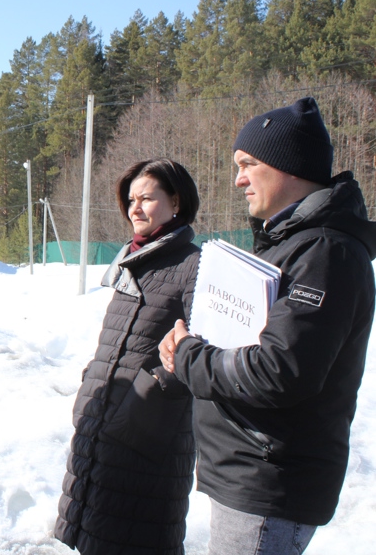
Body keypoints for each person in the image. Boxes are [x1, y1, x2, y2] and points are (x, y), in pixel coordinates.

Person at [159, 97, 376, 555]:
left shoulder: (325, 252)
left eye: (248, 164)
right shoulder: (292, 244)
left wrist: (189, 357)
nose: (238, 178)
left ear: (288, 166)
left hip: (270, 480)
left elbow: (280, 371)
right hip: (247, 472)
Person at [55, 159, 201, 554]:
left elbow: (201, 349)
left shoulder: (194, 266)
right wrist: (93, 385)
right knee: (94, 537)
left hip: (145, 439)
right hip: (100, 428)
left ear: (176, 200)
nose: (135, 208)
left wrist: (144, 397)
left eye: (147, 198)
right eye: (131, 199)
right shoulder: (132, 260)